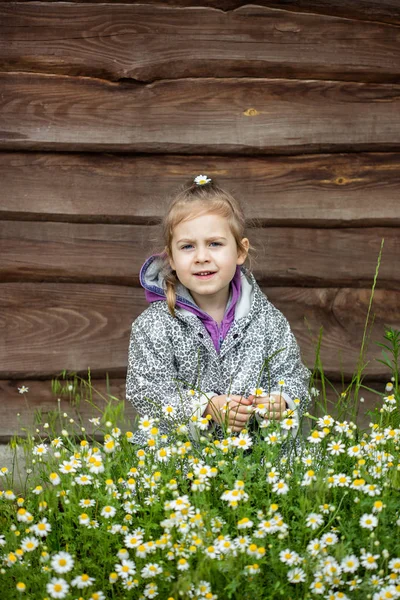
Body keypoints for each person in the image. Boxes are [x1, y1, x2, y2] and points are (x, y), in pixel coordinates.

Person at [126, 174, 311, 446]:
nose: (202, 256)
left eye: (215, 244)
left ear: (240, 251)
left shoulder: (266, 319)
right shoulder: (154, 325)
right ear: (172, 258)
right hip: (181, 453)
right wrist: (207, 406)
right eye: (187, 247)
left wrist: (281, 401)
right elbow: (147, 390)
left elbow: (294, 375)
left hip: (253, 453)